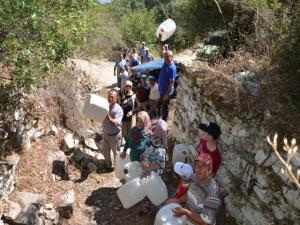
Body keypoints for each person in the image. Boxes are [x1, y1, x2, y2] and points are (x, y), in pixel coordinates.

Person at [166, 153, 221, 225]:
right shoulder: (195, 177)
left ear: (210, 170)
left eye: (203, 166)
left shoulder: (213, 191)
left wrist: (186, 212)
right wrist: (177, 200)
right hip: (186, 218)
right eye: (197, 165)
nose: (198, 169)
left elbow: (206, 221)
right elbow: (190, 193)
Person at [139, 121, 168, 215]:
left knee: (150, 190)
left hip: (153, 175)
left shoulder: (161, 149)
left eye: (156, 129)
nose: (154, 130)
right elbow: (149, 149)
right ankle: (144, 201)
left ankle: (147, 208)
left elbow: (160, 165)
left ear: (159, 132)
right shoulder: (155, 140)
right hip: (147, 171)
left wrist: (148, 166)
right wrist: (143, 155)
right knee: (145, 188)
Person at [102, 89, 124, 172]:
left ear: (116, 98)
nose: (109, 98)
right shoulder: (105, 105)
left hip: (115, 136)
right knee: (105, 152)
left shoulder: (119, 110)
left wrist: (108, 117)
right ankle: (108, 166)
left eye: (112, 97)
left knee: (116, 154)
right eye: (109, 96)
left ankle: (118, 169)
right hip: (105, 134)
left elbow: (116, 122)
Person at [157, 36, 176, 121]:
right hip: (162, 90)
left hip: (166, 92)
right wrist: (160, 40)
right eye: (166, 56)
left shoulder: (172, 67)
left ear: (172, 57)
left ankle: (164, 121)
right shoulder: (166, 61)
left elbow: (172, 82)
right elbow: (163, 50)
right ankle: (162, 116)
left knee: (166, 106)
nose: (167, 58)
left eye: (169, 56)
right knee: (162, 104)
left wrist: (167, 94)